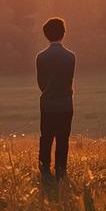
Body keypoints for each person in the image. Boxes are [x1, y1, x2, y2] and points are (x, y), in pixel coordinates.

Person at [36, 17, 75, 183]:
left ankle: (44, 168)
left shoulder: (41, 57)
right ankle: (60, 170)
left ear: (46, 35)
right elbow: (69, 80)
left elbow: (41, 83)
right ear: (63, 33)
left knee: (46, 137)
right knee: (63, 139)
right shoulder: (70, 56)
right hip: (65, 104)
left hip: (47, 104)